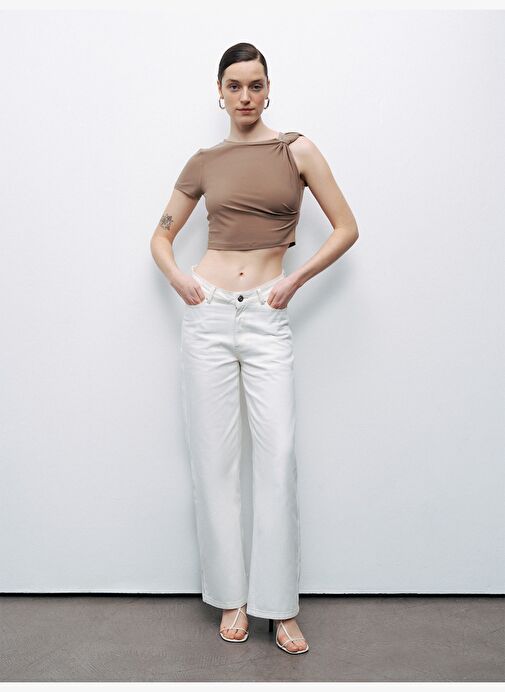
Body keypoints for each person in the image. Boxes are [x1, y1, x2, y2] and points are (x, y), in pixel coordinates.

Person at [150, 42, 359, 655]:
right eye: (235, 86)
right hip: (208, 314)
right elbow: (160, 237)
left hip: (267, 315)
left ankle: (280, 606)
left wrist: (294, 280)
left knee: (278, 456)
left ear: (269, 89)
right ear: (219, 92)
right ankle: (232, 599)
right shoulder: (204, 161)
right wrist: (179, 279)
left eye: (256, 84)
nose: (246, 96)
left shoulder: (296, 150)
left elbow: (347, 227)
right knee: (213, 463)